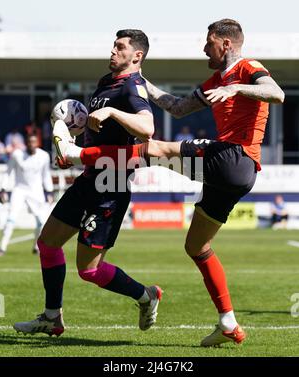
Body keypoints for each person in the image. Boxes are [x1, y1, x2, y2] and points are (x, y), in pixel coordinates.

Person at [54, 19, 285, 346]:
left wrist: (236, 88)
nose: (204, 48)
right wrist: (144, 86)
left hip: (234, 157)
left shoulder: (248, 67)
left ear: (226, 44)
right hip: (232, 176)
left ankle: (76, 155)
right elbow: (176, 108)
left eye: (209, 42)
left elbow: (275, 94)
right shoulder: (213, 82)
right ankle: (228, 322)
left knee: (153, 148)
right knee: (196, 246)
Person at [13, 30, 162, 337]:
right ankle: (52, 317)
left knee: (89, 270)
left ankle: (146, 296)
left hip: (111, 186)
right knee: (47, 243)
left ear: (137, 56)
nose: (113, 50)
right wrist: (71, 146)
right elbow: (100, 132)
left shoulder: (132, 87)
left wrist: (111, 111)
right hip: (89, 178)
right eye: (114, 45)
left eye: (120, 47)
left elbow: (147, 127)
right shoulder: (106, 83)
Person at [0, 134, 54, 256]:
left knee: (41, 221)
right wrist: (2, 189)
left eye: (34, 142)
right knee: (10, 218)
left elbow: (46, 175)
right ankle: (2, 247)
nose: (31, 144)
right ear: (26, 143)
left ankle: (36, 247)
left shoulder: (44, 156)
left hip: (36, 191)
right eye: (29, 142)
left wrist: (49, 191)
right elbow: (8, 172)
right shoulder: (17, 155)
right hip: (19, 190)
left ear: (37, 143)